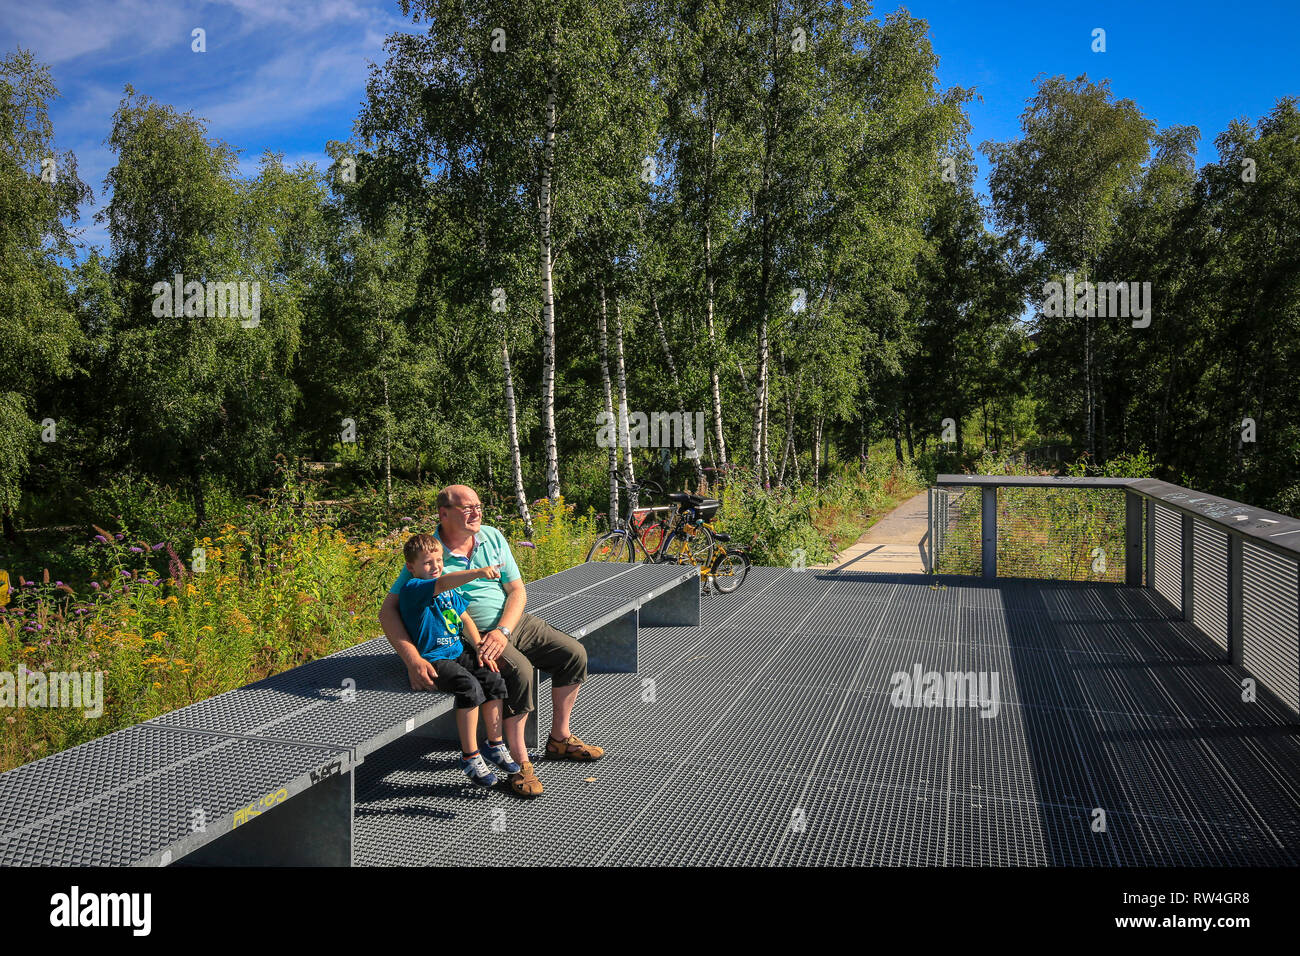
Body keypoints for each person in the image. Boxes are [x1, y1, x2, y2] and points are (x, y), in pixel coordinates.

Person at [379, 485, 604, 799]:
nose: (476, 512)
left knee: (573, 653)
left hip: (510, 624)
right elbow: (388, 610)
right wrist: (411, 658)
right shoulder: (428, 554)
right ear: (444, 514)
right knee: (519, 671)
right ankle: (519, 763)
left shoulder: (492, 537)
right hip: (473, 637)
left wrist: (504, 631)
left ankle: (559, 739)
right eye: (467, 507)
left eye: (478, 506)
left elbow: (517, 590)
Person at [396, 533, 519, 786]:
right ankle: (469, 755)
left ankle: (495, 744)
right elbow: (442, 584)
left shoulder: (449, 590)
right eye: (428, 563)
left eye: (439, 561)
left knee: (493, 678)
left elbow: (465, 619)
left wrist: (479, 647)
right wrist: (477, 572)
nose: (435, 567)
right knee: (469, 688)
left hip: (458, 651)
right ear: (412, 567)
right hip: (434, 659)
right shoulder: (413, 588)